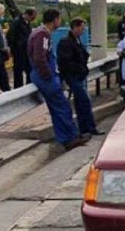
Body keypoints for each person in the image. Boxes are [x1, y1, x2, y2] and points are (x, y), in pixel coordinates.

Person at [28, 9, 89, 151]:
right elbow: (40, 57)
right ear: (55, 20)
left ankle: (65, 137)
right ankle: (70, 137)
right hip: (45, 77)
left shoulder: (37, 32)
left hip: (42, 75)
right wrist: (49, 75)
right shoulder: (42, 34)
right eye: (59, 19)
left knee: (57, 108)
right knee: (62, 107)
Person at [57, 18, 104, 136]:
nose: (83, 31)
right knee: (85, 101)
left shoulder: (76, 40)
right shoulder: (66, 42)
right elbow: (65, 62)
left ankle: (84, 129)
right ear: (75, 27)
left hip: (79, 75)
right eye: (82, 29)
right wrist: (78, 69)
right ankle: (90, 127)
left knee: (80, 102)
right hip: (73, 76)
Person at [6, 7, 37, 88]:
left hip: (26, 51)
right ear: (27, 15)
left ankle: (28, 87)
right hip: (19, 51)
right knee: (18, 71)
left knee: (29, 70)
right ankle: (18, 88)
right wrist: (14, 48)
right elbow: (10, 36)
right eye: (32, 18)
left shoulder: (27, 23)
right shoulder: (16, 22)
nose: (32, 20)